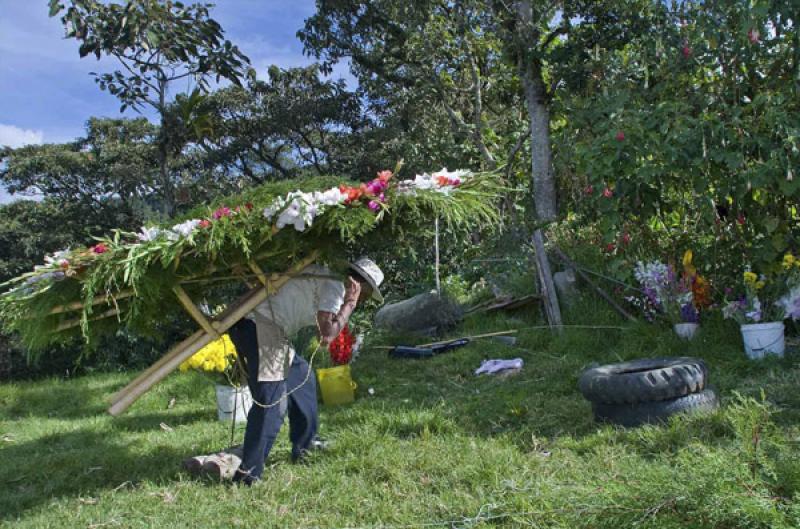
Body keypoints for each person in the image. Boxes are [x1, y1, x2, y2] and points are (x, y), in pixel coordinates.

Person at [220, 257, 384, 486]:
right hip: (259, 325)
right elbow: (326, 336)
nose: (364, 299)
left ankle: (305, 445)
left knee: (302, 376)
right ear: (358, 284)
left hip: (261, 326)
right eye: (365, 293)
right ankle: (249, 474)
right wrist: (350, 304)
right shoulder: (336, 285)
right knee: (271, 402)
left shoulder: (325, 275)